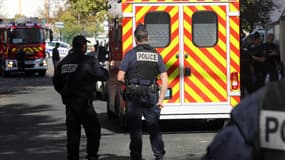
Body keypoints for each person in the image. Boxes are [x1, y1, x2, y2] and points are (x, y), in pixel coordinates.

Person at [53, 35, 109, 160]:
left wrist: (64, 93)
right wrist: (104, 70)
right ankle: (92, 156)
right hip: (85, 104)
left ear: (73, 46)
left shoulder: (64, 62)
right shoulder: (88, 61)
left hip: (70, 104)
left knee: (73, 135)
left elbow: (56, 82)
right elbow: (103, 76)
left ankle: (72, 157)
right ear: (83, 46)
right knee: (94, 131)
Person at [117, 24, 168, 160]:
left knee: (135, 131)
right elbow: (164, 79)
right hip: (151, 96)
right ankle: (159, 155)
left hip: (134, 97)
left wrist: (128, 85)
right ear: (148, 38)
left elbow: (120, 77)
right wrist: (161, 100)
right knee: (154, 127)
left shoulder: (130, 54)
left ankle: (136, 157)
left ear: (135, 39)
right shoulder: (156, 55)